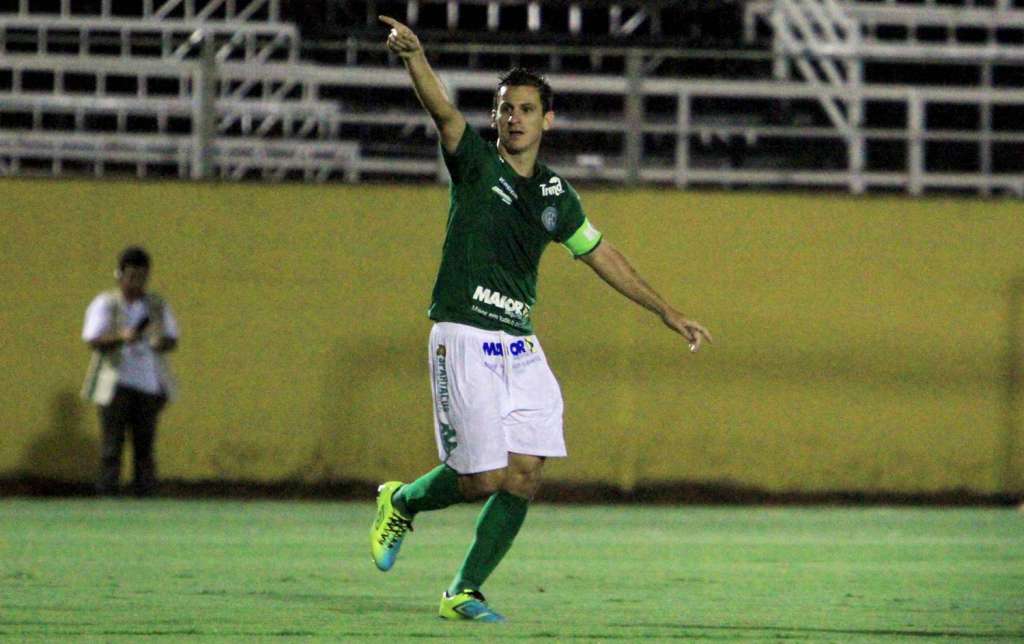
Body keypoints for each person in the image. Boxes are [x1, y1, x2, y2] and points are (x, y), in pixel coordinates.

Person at [371, 16, 713, 623]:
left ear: (546, 120)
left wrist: (668, 311)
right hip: (464, 334)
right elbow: (445, 114)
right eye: (505, 108)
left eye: (526, 109)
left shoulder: (556, 196)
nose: (514, 118)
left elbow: (601, 254)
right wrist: (414, 58)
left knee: (525, 474)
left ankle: (463, 591)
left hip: (518, 348)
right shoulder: (476, 164)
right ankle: (402, 501)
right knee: (481, 478)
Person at [81, 246, 179, 497]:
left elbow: (171, 339)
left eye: (142, 277)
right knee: (111, 446)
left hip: (148, 384)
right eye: (132, 276)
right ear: (120, 275)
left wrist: (160, 342)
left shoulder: (156, 305)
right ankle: (107, 493)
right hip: (114, 382)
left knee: (145, 447)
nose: (137, 283)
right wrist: (120, 337)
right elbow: (93, 339)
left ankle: (145, 495)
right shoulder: (106, 303)